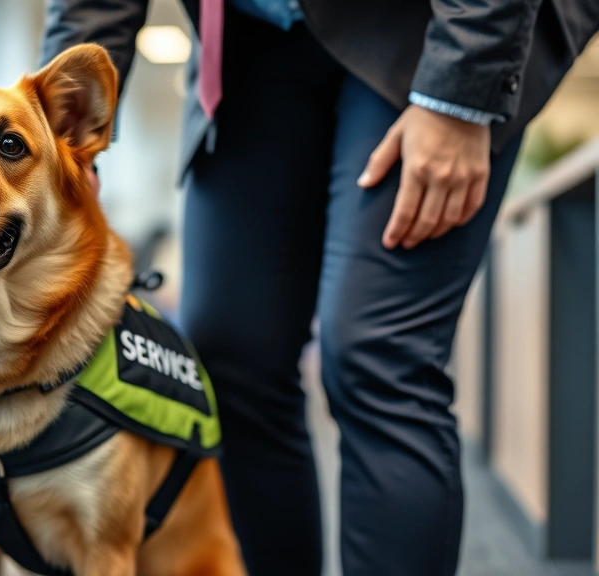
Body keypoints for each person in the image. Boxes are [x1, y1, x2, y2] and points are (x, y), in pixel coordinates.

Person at [40, 1, 599, 574]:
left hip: (431, 28)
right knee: (231, 357)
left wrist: (459, 97)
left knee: (376, 355)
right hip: (251, 40)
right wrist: (55, 141)